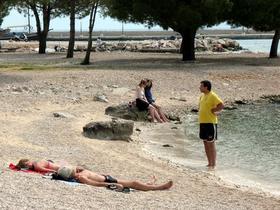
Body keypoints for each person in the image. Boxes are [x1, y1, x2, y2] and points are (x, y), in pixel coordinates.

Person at [57, 166, 173, 191]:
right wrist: (108, 185)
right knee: (134, 183)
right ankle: (159, 187)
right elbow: (94, 183)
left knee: (133, 184)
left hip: (108, 177)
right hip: (108, 181)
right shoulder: (81, 177)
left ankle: (150, 184)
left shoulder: (80, 172)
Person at [198, 80, 224, 168]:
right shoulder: (202, 96)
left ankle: (213, 164)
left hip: (210, 123)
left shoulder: (212, 95)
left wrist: (214, 110)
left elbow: (221, 105)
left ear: (206, 87)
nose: (199, 87)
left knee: (211, 144)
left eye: (201, 86)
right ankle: (209, 163)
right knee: (205, 143)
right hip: (202, 122)